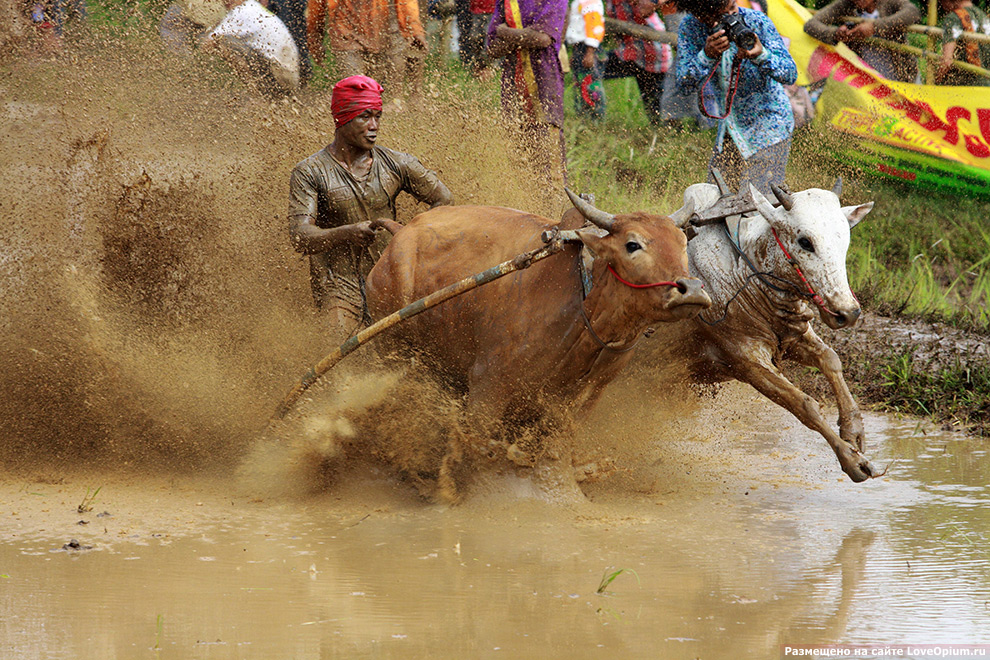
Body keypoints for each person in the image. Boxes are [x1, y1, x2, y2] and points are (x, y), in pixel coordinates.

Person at [288, 76, 453, 335]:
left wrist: (412, 237)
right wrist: (347, 232)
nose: (374, 126)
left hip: (393, 281)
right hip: (339, 286)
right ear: (341, 119)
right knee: (339, 346)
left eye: (378, 116)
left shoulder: (397, 163)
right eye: (364, 117)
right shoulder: (310, 172)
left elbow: (444, 200)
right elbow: (300, 236)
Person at [676, 0, 797, 195]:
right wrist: (706, 55)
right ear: (704, 17)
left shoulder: (757, 22)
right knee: (715, 203)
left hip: (769, 128)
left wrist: (761, 56)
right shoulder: (691, 27)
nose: (734, 16)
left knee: (757, 207)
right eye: (725, 14)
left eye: (734, 6)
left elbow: (790, 74)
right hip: (730, 131)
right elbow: (683, 84)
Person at [486, 0, 569, 184]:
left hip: (544, 82)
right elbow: (492, 48)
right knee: (518, 149)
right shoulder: (506, 1)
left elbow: (542, 39)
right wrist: (524, 36)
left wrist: (505, 32)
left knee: (548, 149)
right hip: (513, 84)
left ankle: (553, 205)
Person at [306, 0, 428, 88]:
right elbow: (316, 8)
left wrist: (414, 29)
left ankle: (402, 99)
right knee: (355, 86)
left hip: (378, 32)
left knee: (375, 85)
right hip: (344, 33)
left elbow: (406, 2)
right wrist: (314, 41)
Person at [203, 0, 300, 98]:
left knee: (223, 42)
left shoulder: (240, 11)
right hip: (290, 76)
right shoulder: (253, 6)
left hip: (278, 75)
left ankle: (258, 95)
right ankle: (271, 97)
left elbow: (208, 44)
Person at [803, 0, 920, 82]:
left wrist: (875, 27)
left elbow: (912, 12)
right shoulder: (845, 5)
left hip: (902, 74)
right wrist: (835, 34)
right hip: (868, 80)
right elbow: (811, 25)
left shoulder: (889, 2)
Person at [603, 0, 673, 126]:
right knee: (595, 67)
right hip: (629, 51)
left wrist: (653, 2)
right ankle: (591, 114)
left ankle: (669, 132)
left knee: (655, 99)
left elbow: (650, 6)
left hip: (652, 50)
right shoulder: (611, 3)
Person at [565, 0, 607, 120]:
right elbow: (576, 26)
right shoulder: (577, 2)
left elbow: (594, 25)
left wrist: (590, 52)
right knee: (580, 83)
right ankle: (584, 117)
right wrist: (574, 52)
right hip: (579, 47)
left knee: (591, 83)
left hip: (589, 47)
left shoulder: (591, 1)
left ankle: (596, 118)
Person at [936, 0, 990, 86]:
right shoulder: (983, 17)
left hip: (964, 87)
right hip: (986, 88)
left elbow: (947, 61)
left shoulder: (954, 18)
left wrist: (936, 80)